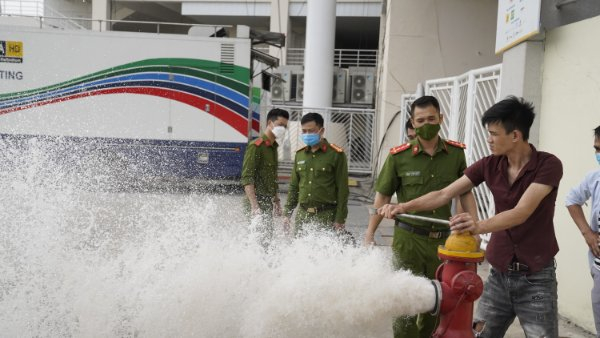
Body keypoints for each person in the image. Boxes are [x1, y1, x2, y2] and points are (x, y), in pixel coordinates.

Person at [379, 96, 563, 338]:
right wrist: (403, 207)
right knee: (480, 334)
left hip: (537, 276)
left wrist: (477, 226)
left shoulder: (548, 165)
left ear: (515, 136)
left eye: (494, 134)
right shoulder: (489, 164)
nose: (489, 139)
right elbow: (444, 193)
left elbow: (521, 212)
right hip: (499, 272)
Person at [365, 95, 477, 338]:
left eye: (431, 118)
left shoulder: (456, 154)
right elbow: (382, 198)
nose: (426, 123)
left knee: (437, 305)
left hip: (442, 243)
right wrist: (370, 233)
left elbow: (465, 194)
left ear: (441, 119)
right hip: (408, 240)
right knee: (404, 305)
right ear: (412, 123)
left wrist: (474, 227)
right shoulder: (399, 156)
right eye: (420, 120)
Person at [283, 112, 349, 235]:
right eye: (304, 131)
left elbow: (342, 189)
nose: (307, 134)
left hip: (326, 216)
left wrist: (340, 218)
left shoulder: (336, 155)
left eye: (311, 131)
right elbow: (294, 186)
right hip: (302, 216)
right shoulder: (300, 154)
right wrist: (287, 214)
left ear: (321, 130)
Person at [565, 125, 600, 335]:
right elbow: (572, 200)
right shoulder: (594, 178)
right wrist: (588, 233)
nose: (598, 155)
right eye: (597, 149)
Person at [241, 108, 289, 246]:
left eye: (285, 126)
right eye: (280, 124)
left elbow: (272, 177)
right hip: (257, 200)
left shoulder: (273, 147)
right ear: (270, 123)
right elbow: (247, 177)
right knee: (260, 242)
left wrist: (277, 201)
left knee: (265, 240)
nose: (283, 128)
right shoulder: (256, 146)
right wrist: (254, 206)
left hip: (267, 201)